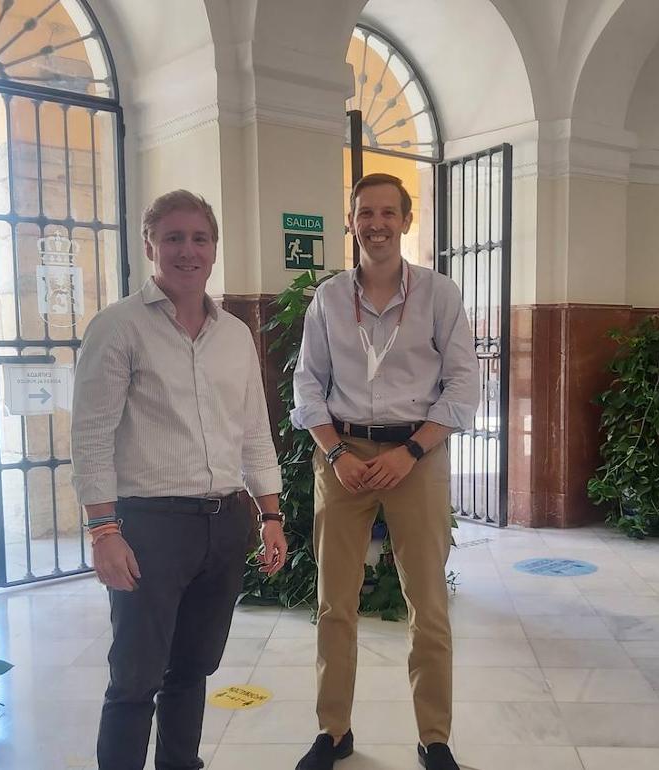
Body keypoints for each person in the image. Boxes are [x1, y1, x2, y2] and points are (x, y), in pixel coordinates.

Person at [71, 189, 289, 770]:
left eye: (199, 238)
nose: (187, 251)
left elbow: (254, 432)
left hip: (224, 524)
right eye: (173, 238)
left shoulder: (235, 334)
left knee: (192, 670)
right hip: (150, 527)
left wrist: (270, 514)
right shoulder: (117, 328)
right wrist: (104, 532)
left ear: (214, 248)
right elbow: (90, 439)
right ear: (150, 245)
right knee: (135, 678)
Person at [291, 173, 480, 770]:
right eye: (365, 213)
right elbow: (307, 386)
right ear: (351, 222)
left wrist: (411, 453)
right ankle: (333, 731)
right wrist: (336, 454)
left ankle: (434, 738)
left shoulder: (439, 295)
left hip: (416, 456)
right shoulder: (328, 299)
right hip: (342, 456)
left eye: (387, 213)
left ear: (406, 219)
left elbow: (463, 387)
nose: (376, 224)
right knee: (334, 602)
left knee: (428, 603)